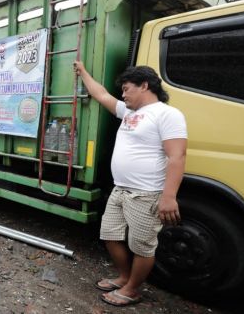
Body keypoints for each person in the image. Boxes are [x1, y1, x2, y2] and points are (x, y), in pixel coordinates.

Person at [73, 61, 187, 307]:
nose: (123, 95)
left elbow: (176, 156)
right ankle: (125, 277)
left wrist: (169, 197)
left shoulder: (168, 114)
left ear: (144, 85)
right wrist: (83, 71)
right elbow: (101, 94)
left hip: (146, 194)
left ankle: (133, 289)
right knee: (110, 236)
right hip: (120, 189)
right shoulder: (129, 112)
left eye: (126, 89)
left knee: (142, 247)